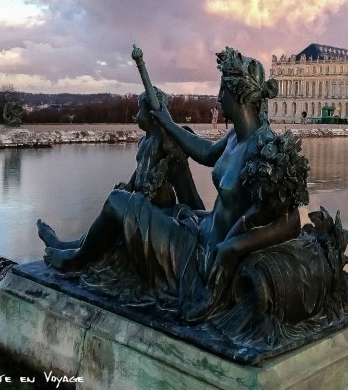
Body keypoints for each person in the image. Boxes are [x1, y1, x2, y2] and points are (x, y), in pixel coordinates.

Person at [38, 47, 304, 321]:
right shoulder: (235, 137)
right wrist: (167, 122)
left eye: (222, 91)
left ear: (238, 95)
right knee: (137, 212)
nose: (217, 98)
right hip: (200, 230)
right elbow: (205, 153)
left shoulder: (265, 148)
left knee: (118, 202)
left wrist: (232, 249)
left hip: (203, 257)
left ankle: (74, 261)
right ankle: (74, 249)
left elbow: (291, 221)